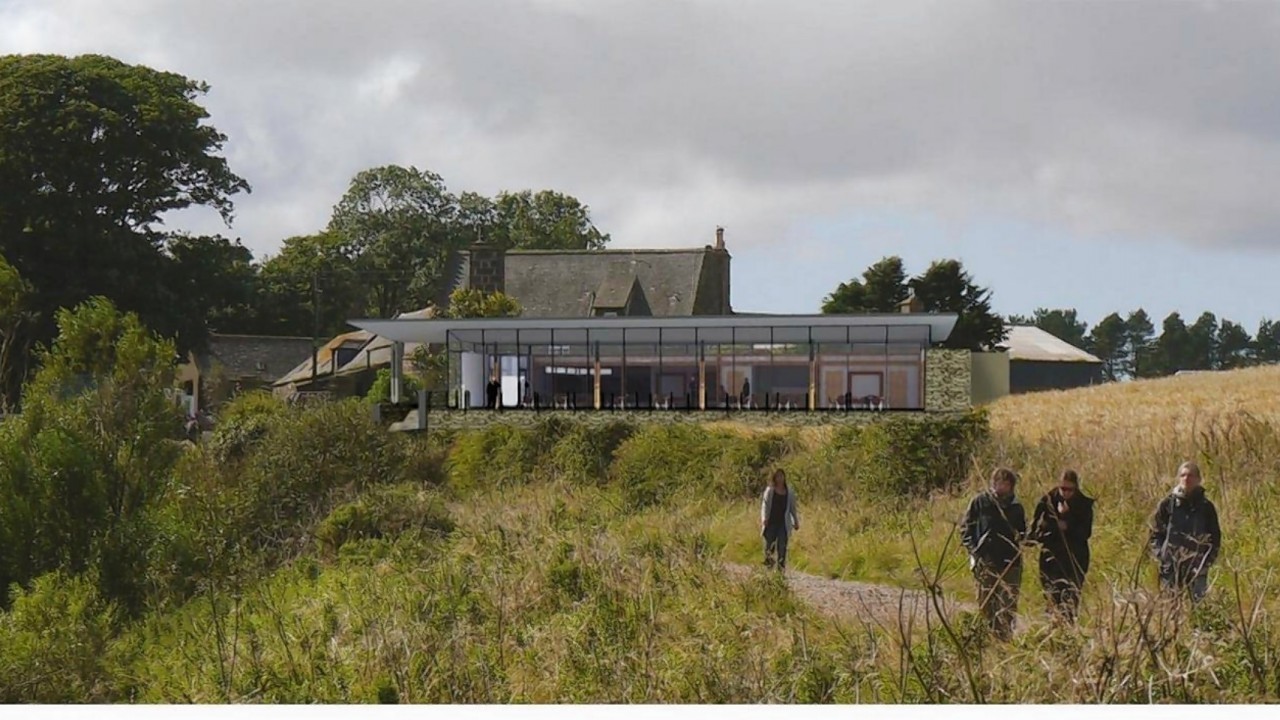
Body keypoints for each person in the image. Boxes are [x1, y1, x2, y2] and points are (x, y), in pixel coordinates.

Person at [961, 467, 1027, 641]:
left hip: (1010, 564)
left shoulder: (1016, 508)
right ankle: (987, 641)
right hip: (985, 562)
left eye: (1005, 484)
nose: (1001, 487)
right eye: (998, 483)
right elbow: (965, 528)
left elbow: (1022, 534)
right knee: (985, 605)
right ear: (992, 483)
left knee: (1007, 606)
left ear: (1011, 486)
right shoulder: (980, 502)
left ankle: (1004, 641)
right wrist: (974, 550)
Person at [1148, 460, 1221, 604]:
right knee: (1171, 609)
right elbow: (1155, 534)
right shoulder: (1167, 504)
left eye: (1191, 475)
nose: (1186, 479)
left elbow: (1215, 536)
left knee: (1199, 609)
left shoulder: (1206, 507)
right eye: (1183, 475)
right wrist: (1162, 555)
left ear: (1199, 479)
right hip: (1171, 567)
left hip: (1197, 567)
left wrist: (1208, 560)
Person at [1031, 469, 1094, 623]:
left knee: (1070, 600)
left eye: (1069, 489)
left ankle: (1068, 632)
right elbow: (1036, 530)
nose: (1065, 493)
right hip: (1050, 558)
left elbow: (1085, 533)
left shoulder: (1084, 505)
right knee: (1051, 598)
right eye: (1062, 488)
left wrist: (1068, 521)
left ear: (1076, 488)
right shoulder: (1048, 500)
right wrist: (1050, 527)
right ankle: (1051, 632)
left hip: (1074, 558)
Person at [760, 469, 799, 571]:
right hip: (771, 522)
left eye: (781, 476)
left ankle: (780, 571)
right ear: (774, 478)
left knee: (782, 547)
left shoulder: (789, 492)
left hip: (783, 524)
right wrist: (764, 518)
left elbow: (792, 508)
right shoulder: (770, 490)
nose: (780, 479)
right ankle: (768, 568)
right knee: (769, 547)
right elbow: (765, 505)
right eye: (777, 476)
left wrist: (795, 521)